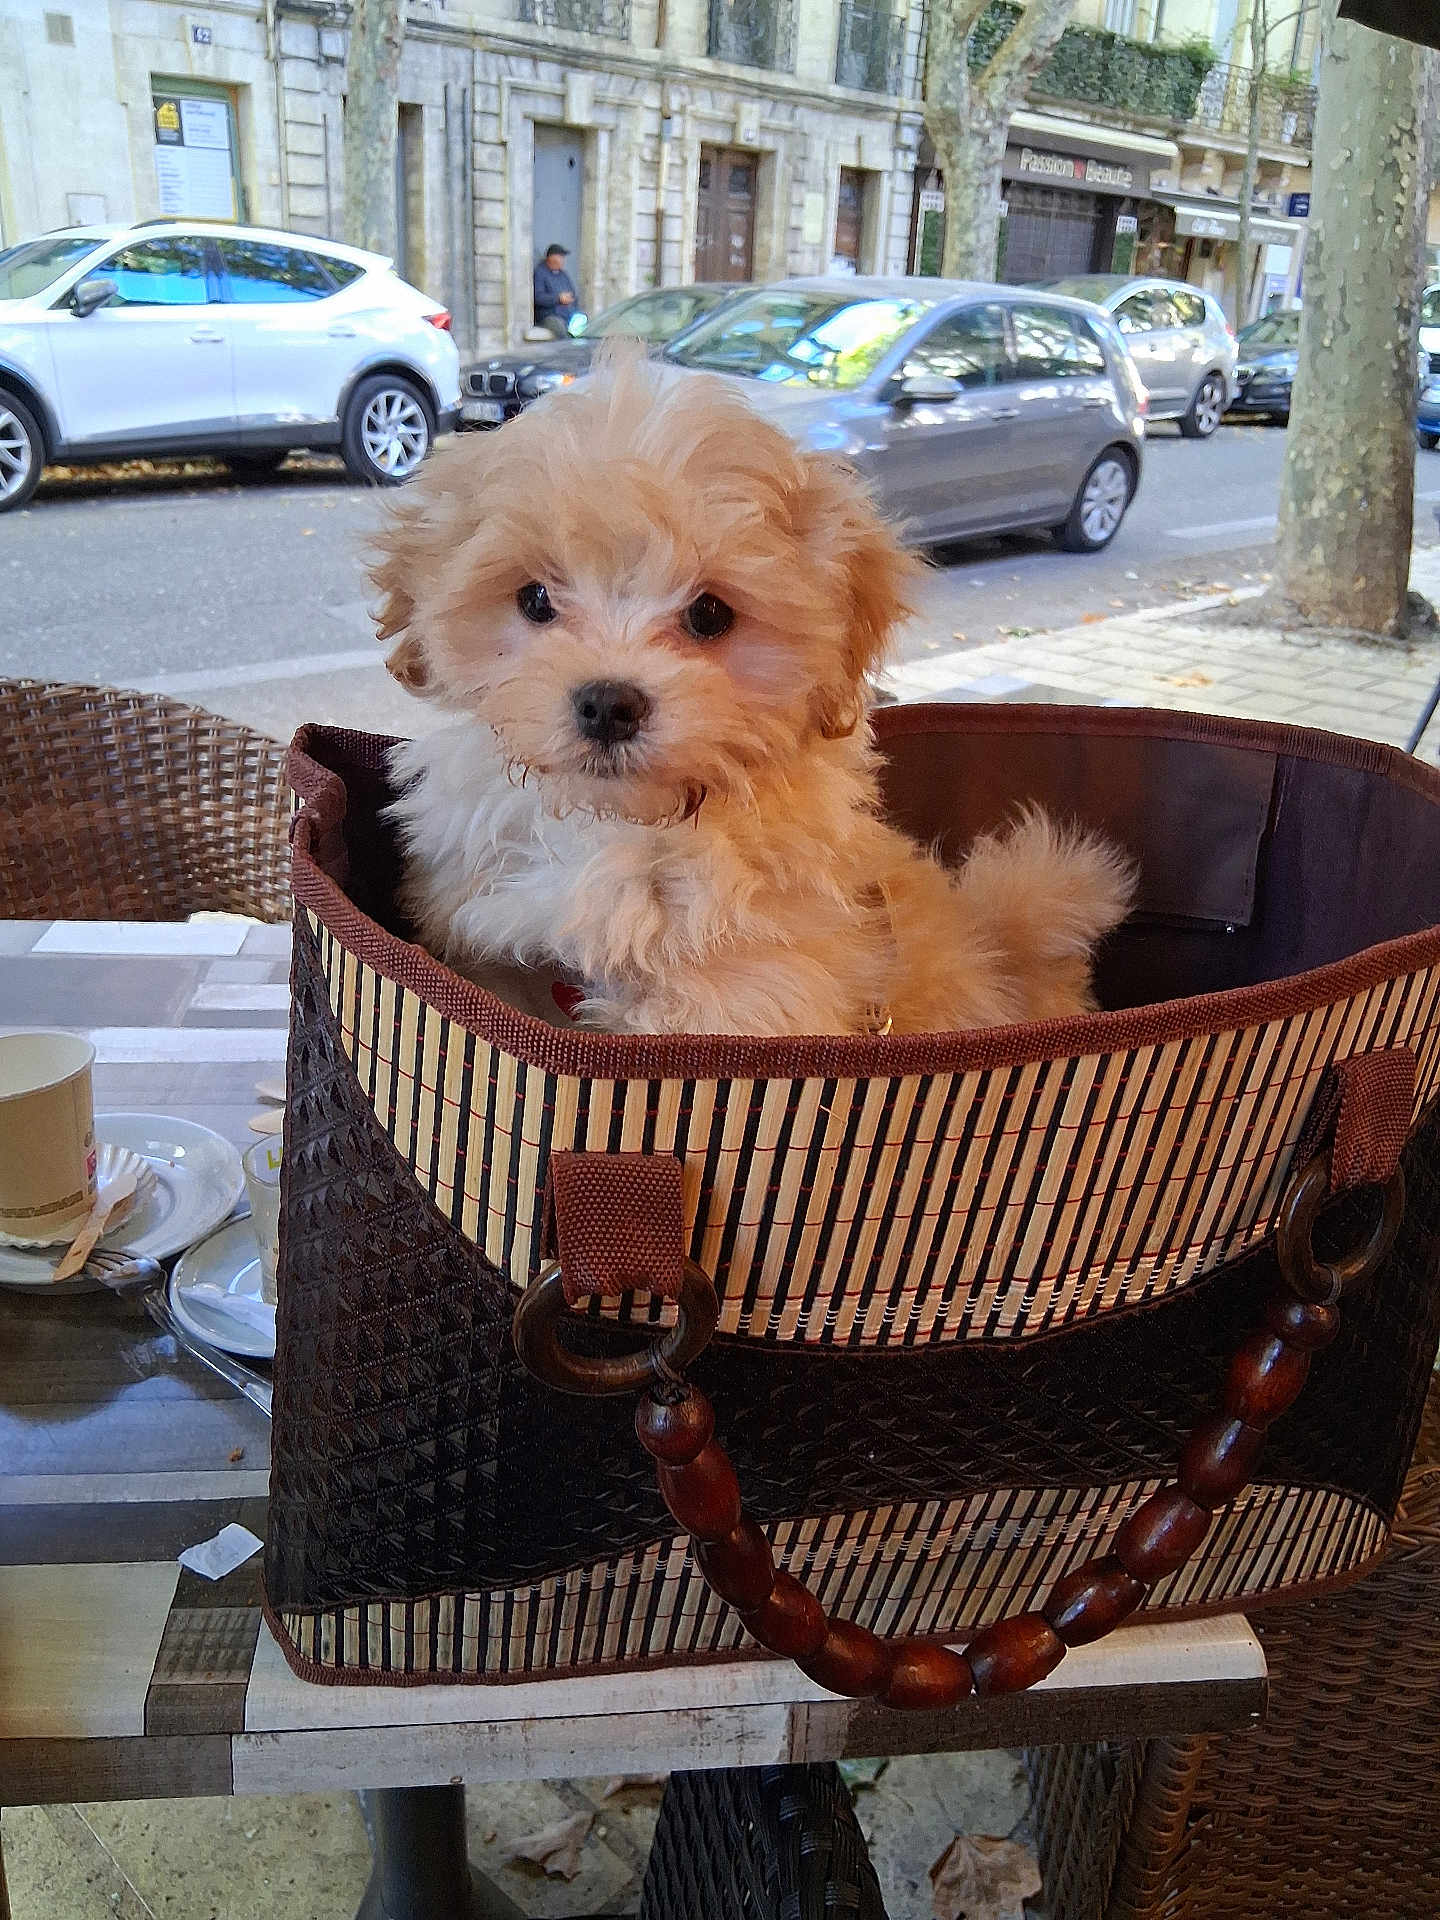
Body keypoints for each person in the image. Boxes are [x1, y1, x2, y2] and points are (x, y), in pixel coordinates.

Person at [533, 244, 579, 338]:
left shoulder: (563, 275)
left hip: (568, 314)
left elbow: (573, 294)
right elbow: (537, 297)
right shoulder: (540, 273)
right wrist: (558, 298)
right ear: (551, 257)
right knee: (561, 329)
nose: (563, 260)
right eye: (560, 257)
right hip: (549, 316)